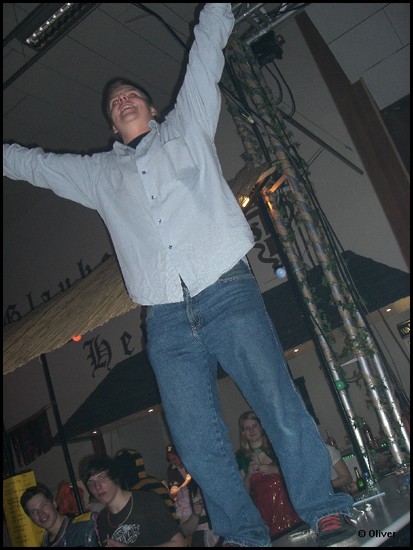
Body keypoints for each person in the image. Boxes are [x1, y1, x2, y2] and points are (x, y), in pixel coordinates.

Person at [3, 3, 355, 547]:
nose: (122, 99)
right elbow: (34, 164)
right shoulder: (99, 174)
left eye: (131, 94)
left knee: (277, 402)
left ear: (151, 107)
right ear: (111, 124)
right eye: (114, 101)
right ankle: (243, 536)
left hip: (226, 290)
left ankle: (324, 507)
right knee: (195, 443)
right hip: (165, 318)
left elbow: (206, 49)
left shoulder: (186, 126)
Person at [83, 456, 185, 547]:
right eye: (91, 483)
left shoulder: (147, 501)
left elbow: (180, 544)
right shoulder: (102, 520)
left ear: (114, 477)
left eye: (102, 477)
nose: (97, 486)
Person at [235, 411, 302, 540]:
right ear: (243, 433)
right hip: (264, 510)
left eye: (254, 426)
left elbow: (296, 474)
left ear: (261, 427)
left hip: (288, 503)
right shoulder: (240, 457)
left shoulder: (275, 447)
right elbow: (243, 493)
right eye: (247, 428)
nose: (251, 431)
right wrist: (248, 475)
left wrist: (274, 470)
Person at [166, 444, 219, 547]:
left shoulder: (217, 482)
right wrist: (195, 514)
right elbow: (185, 531)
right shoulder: (173, 473)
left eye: (175, 458)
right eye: (170, 459)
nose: (173, 461)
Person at [20, 484, 98, 547]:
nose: (40, 513)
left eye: (43, 505)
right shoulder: (44, 543)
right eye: (33, 512)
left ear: (54, 503)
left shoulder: (86, 525)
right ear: (31, 518)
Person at [114, 448, 176, 519]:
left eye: (128, 465)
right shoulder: (124, 492)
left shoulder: (150, 486)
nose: (125, 470)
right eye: (121, 465)